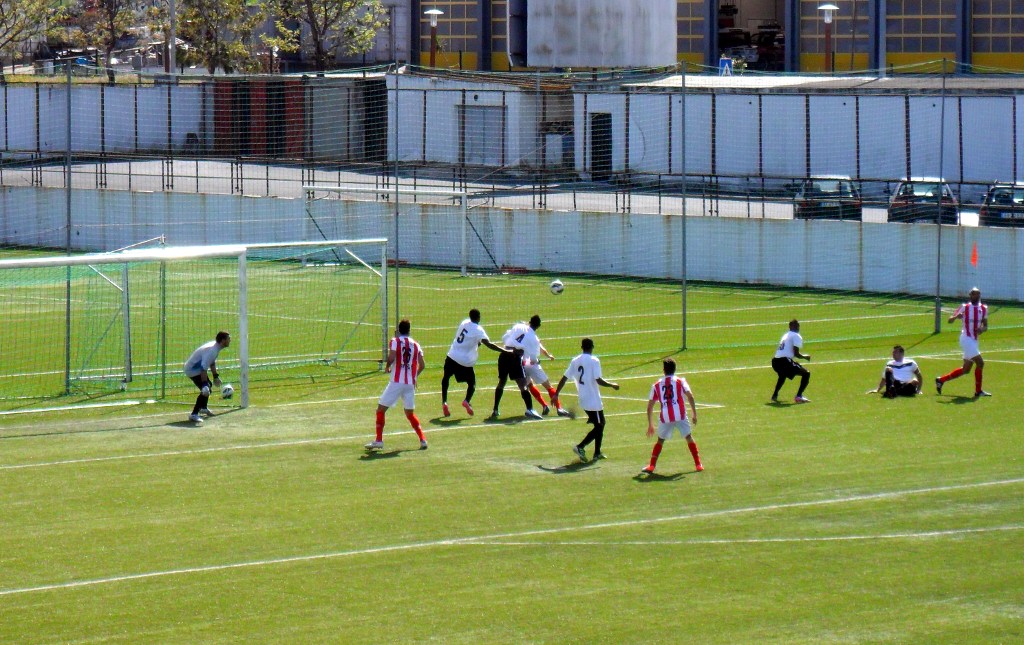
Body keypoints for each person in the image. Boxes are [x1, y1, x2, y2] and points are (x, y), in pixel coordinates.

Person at [366, 319, 428, 451]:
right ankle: (423, 440)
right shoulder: (416, 344)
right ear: (409, 330)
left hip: (397, 382)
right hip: (409, 384)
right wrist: (414, 377)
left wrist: (387, 366)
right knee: (410, 413)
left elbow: (392, 357)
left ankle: (379, 440)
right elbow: (422, 365)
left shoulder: (395, 341)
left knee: (380, 410)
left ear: (399, 330)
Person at [554, 338, 619, 462]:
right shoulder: (594, 360)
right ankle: (580, 447)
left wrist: (556, 394)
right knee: (600, 425)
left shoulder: (575, 360)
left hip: (583, 399)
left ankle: (597, 453)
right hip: (593, 400)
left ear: (582, 347)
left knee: (599, 424)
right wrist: (612, 385)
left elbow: (564, 378)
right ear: (592, 347)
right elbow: (598, 380)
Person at [441, 309, 509, 417]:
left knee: (446, 378)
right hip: (464, 361)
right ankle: (466, 401)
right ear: (479, 317)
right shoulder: (478, 330)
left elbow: (469, 340)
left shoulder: (464, 322)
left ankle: (444, 401)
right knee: (472, 384)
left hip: (452, 356)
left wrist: (476, 344)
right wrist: (505, 351)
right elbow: (489, 344)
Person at [641, 358, 702, 474]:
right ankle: (698, 464)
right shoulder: (680, 381)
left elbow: (649, 407)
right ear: (675, 369)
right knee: (688, 437)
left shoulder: (656, 385)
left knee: (660, 440)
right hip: (680, 415)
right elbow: (690, 396)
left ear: (663, 370)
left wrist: (650, 424)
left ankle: (651, 466)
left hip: (665, 417)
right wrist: (694, 413)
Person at [936, 287, 991, 397]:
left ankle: (941, 380)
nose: (976, 296)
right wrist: (956, 317)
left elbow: (986, 326)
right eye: (974, 294)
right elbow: (949, 320)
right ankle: (978, 391)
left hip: (974, 340)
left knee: (966, 369)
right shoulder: (964, 307)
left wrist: (982, 329)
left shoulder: (984, 308)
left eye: (978, 294)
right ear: (970, 295)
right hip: (966, 338)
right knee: (980, 363)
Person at [490, 320, 543, 420]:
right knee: (523, 384)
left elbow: (505, 337)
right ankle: (530, 409)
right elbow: (531, 358)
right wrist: (536, 361)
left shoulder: (518, 327)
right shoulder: (533, 337)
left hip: (504, 354)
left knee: (502, 382)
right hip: (515, 357)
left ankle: (495, 409)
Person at [520, 314, 569, 417]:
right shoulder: (534, 337)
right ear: (538, 325)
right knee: (548, 386)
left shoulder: (522, 334)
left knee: (530, 385)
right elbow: (541, 349)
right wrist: (548, 356)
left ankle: (544, 405)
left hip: (523, 364)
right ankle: (559, 408)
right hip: (533, 364)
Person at [183, 331, 231, 424]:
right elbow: (203, 368)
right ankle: (194, 414)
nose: (230, 340)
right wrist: (204, 384)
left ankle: (203, 408)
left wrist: (215, 376)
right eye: (228, 339)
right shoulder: (212, 350)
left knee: (208, 387)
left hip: (196, 369)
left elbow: (211, 362)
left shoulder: (216, 347)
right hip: (192, 370)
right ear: (223, 340)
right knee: (205, 390)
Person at [771, 319, 811, 403]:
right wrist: (805, 357)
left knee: (782, 375)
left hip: (775, 361)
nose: (798, 327)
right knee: (806, 373)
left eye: (798, 326)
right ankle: (799, 396)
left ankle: (774, 395)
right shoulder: (796, 336)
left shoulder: (786, 335)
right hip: (784, 361)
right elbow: (796, 354)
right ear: (791, 326)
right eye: (796, 326)